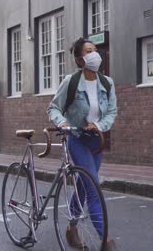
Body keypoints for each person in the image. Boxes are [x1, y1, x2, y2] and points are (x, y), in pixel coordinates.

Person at [47, 37, 117, 251]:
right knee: (93, 187)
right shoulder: (71, 81)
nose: (95, 54)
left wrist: (98, 124)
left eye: (95, 49)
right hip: (76, 138)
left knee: (84, 186)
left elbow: (112, 112)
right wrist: (63, 122)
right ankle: (106, 241)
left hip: (96, 140)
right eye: (89, 51)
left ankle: (71, 228)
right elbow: (53, 108)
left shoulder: (107, 83)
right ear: (80, 59)